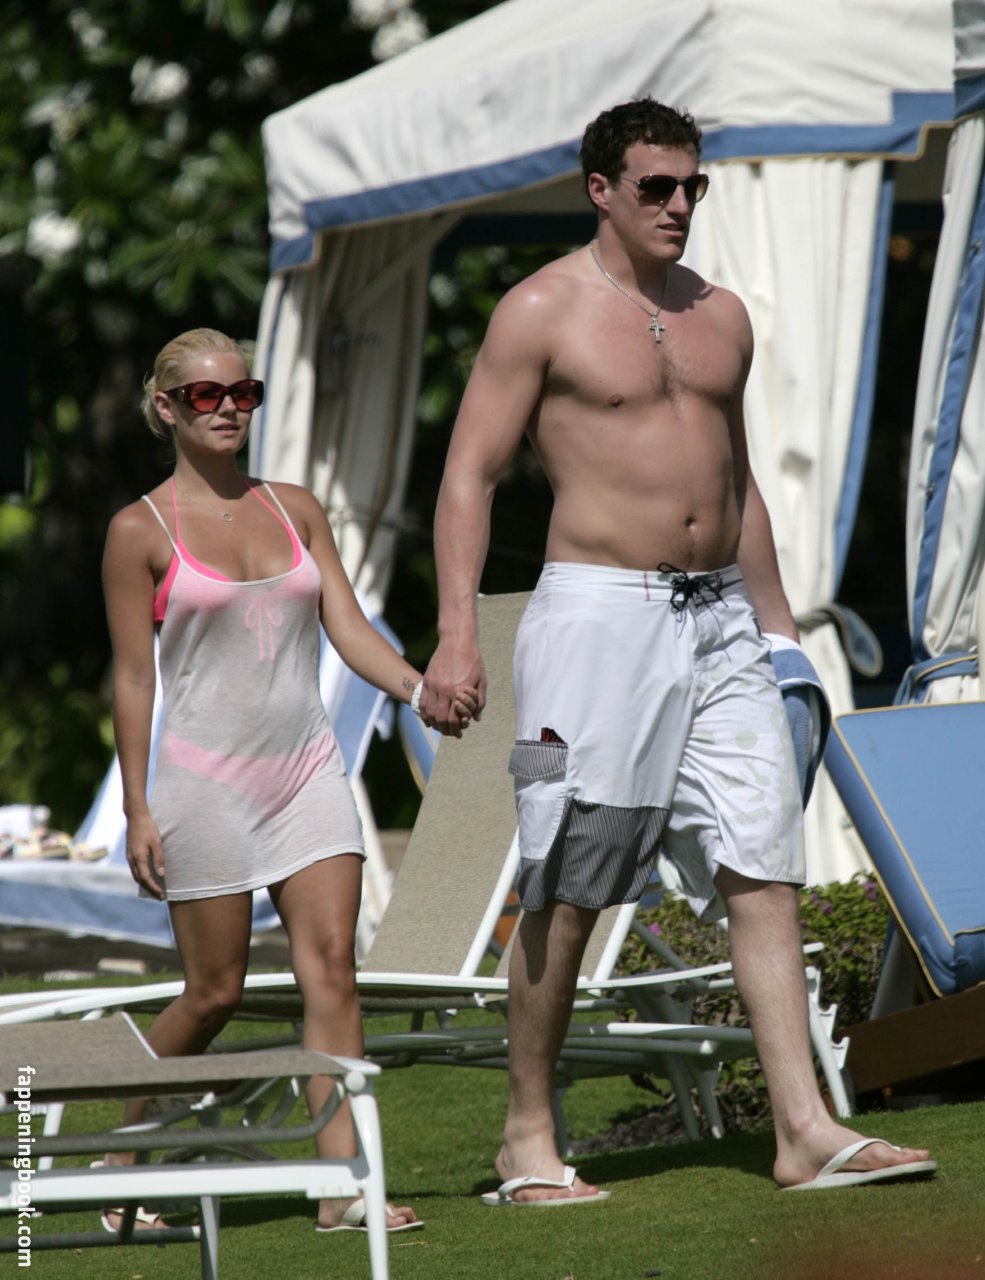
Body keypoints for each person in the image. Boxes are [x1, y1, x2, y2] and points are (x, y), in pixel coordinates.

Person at [420, 98, 936, 1204]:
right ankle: (525, 1134)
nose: (677, 205)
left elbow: (735, 482)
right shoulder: (539, 309)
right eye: (655, 186)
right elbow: (469, 475)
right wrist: (457, 634)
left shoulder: (720, 315)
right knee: (570, 874)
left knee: (763, 863)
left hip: (721, 622)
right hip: (594, 621)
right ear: (599, 189)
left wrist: (780, 633)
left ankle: (803, 1128)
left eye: (691, 185)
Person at [101, 326, 477, 1233]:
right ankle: (115, 1163)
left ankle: (342, 1186)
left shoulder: (296, 507)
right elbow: (134, 679)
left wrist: (417, 688)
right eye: (207, 395)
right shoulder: (137, 530)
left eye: (245, 392)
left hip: (307, 771)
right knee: (213, 994)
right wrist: (138, 808)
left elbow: (346, 629)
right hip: (203, 787)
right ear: (167, 407)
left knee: (332, 970)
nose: (229, 408)